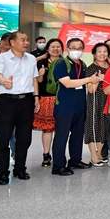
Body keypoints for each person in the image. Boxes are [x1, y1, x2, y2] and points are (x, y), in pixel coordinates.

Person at [0, 31, 40, 185]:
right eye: (22, 40)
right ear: (12, 42)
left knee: (24, 138)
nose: (26, 43)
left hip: (26, 100)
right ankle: (2, 172)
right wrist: (3, 82)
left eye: (27, 40)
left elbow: (34, 79)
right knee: (3, 137)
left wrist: (36, 97)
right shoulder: (1, 58)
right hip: (7, 101)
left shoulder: (31, 58)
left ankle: (20, 169)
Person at [52, 38, 102, 176]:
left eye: (79, 48)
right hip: (64, 106)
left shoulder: (82, 64)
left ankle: (75, 160)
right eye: (73, 48)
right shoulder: (62, 63)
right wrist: (89, 79)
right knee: (62, 136)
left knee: (77, 135)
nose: (76, 50)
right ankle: (58, 166)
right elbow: (67, 83)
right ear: (67, 49)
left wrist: (95, 80)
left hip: (79, 105)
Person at [34, 38, 63, 167]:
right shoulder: (42, 62)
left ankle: (58, 154)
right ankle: (46, 154)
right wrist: (41, 74)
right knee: (47, 129)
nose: (55, 49)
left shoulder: (65, 62)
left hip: (62, 99)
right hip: (46, 99)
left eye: (58, 47)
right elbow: (38, 81)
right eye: (53, 47)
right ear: (48, 49)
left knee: (60, 129)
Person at [85, 43, 110, 166]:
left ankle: (99, 153)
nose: (102, 54)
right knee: (93, 126)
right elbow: (91, 90)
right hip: (95, 101)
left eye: (105, 51)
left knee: (104, 127)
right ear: (95, 53)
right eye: (99, 51)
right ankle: (93, 156)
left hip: (108, 101)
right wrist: (98, 80)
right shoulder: (91, 68)